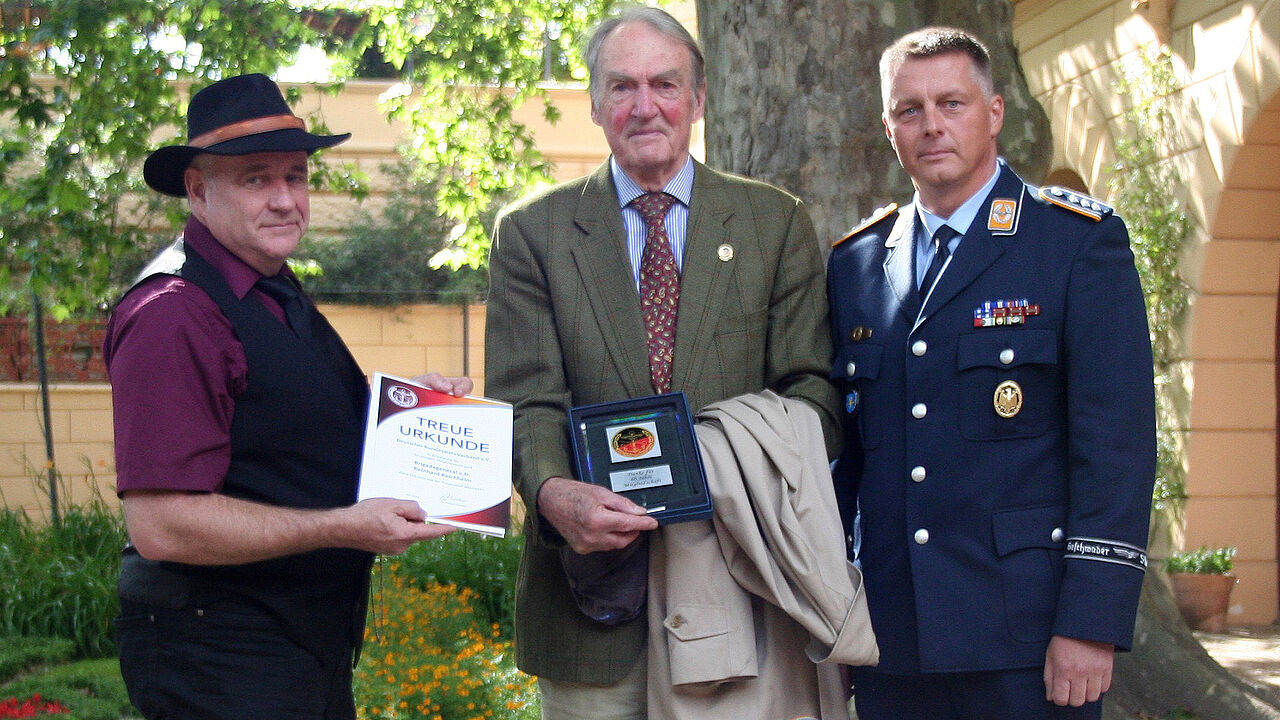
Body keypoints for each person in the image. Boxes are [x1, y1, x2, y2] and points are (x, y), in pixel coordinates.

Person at [484, 6, 848, 719]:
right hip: (590, 605)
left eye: (665, 85)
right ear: (594, 103)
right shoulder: (533, 234)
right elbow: (527, 402)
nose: (645, 106)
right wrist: (554, 494)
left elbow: (814, 393)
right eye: (621, 87)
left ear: (699, 98)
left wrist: (712, 465)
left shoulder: (774, 224)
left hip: (741, 593)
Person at [106, 73, 469, 720]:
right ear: (197, 189)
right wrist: (344, 528)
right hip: (219, 654)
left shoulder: (271, 286)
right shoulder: (173, 313)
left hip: (295, 649)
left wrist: (415, 410)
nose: (284, 200)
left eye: (295, 177)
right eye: (256, 179)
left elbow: (292, 425)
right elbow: (160, 523)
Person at [826, 27, 1157, 719]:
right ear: (888, 127)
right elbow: (844, 465)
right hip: (893, 637)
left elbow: (1115, 450)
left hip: (1028, 639)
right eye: (909, 110)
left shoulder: (1074, 244)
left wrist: (1091, 621)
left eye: (952, 103)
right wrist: (836, 622)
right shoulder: (855, 265)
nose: (932, 125)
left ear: (995, 112)